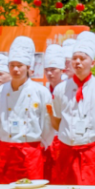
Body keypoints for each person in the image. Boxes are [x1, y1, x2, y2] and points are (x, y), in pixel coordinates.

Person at [50, 31, 95, 185]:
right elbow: (56, 120)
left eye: (82, 58)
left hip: (91, 151)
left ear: (92, 63)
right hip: (66, 151)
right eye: (75, 58)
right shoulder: (60, 89)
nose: (78, 62)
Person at [0, 36, 52, 184]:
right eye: (12, 65)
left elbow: (47, 126)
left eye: (20, 65)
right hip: (6, 153)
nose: (15, 69)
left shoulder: (41, 92)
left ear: (28, 67)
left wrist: (37, 146)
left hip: (30, 153)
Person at [41, 43, 66, 179]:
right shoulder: (41, 91)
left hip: (63, 140)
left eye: (53, 69)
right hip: (46, 141)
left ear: (62, 70)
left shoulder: (68, 90)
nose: (49, 73)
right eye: (47, 70)